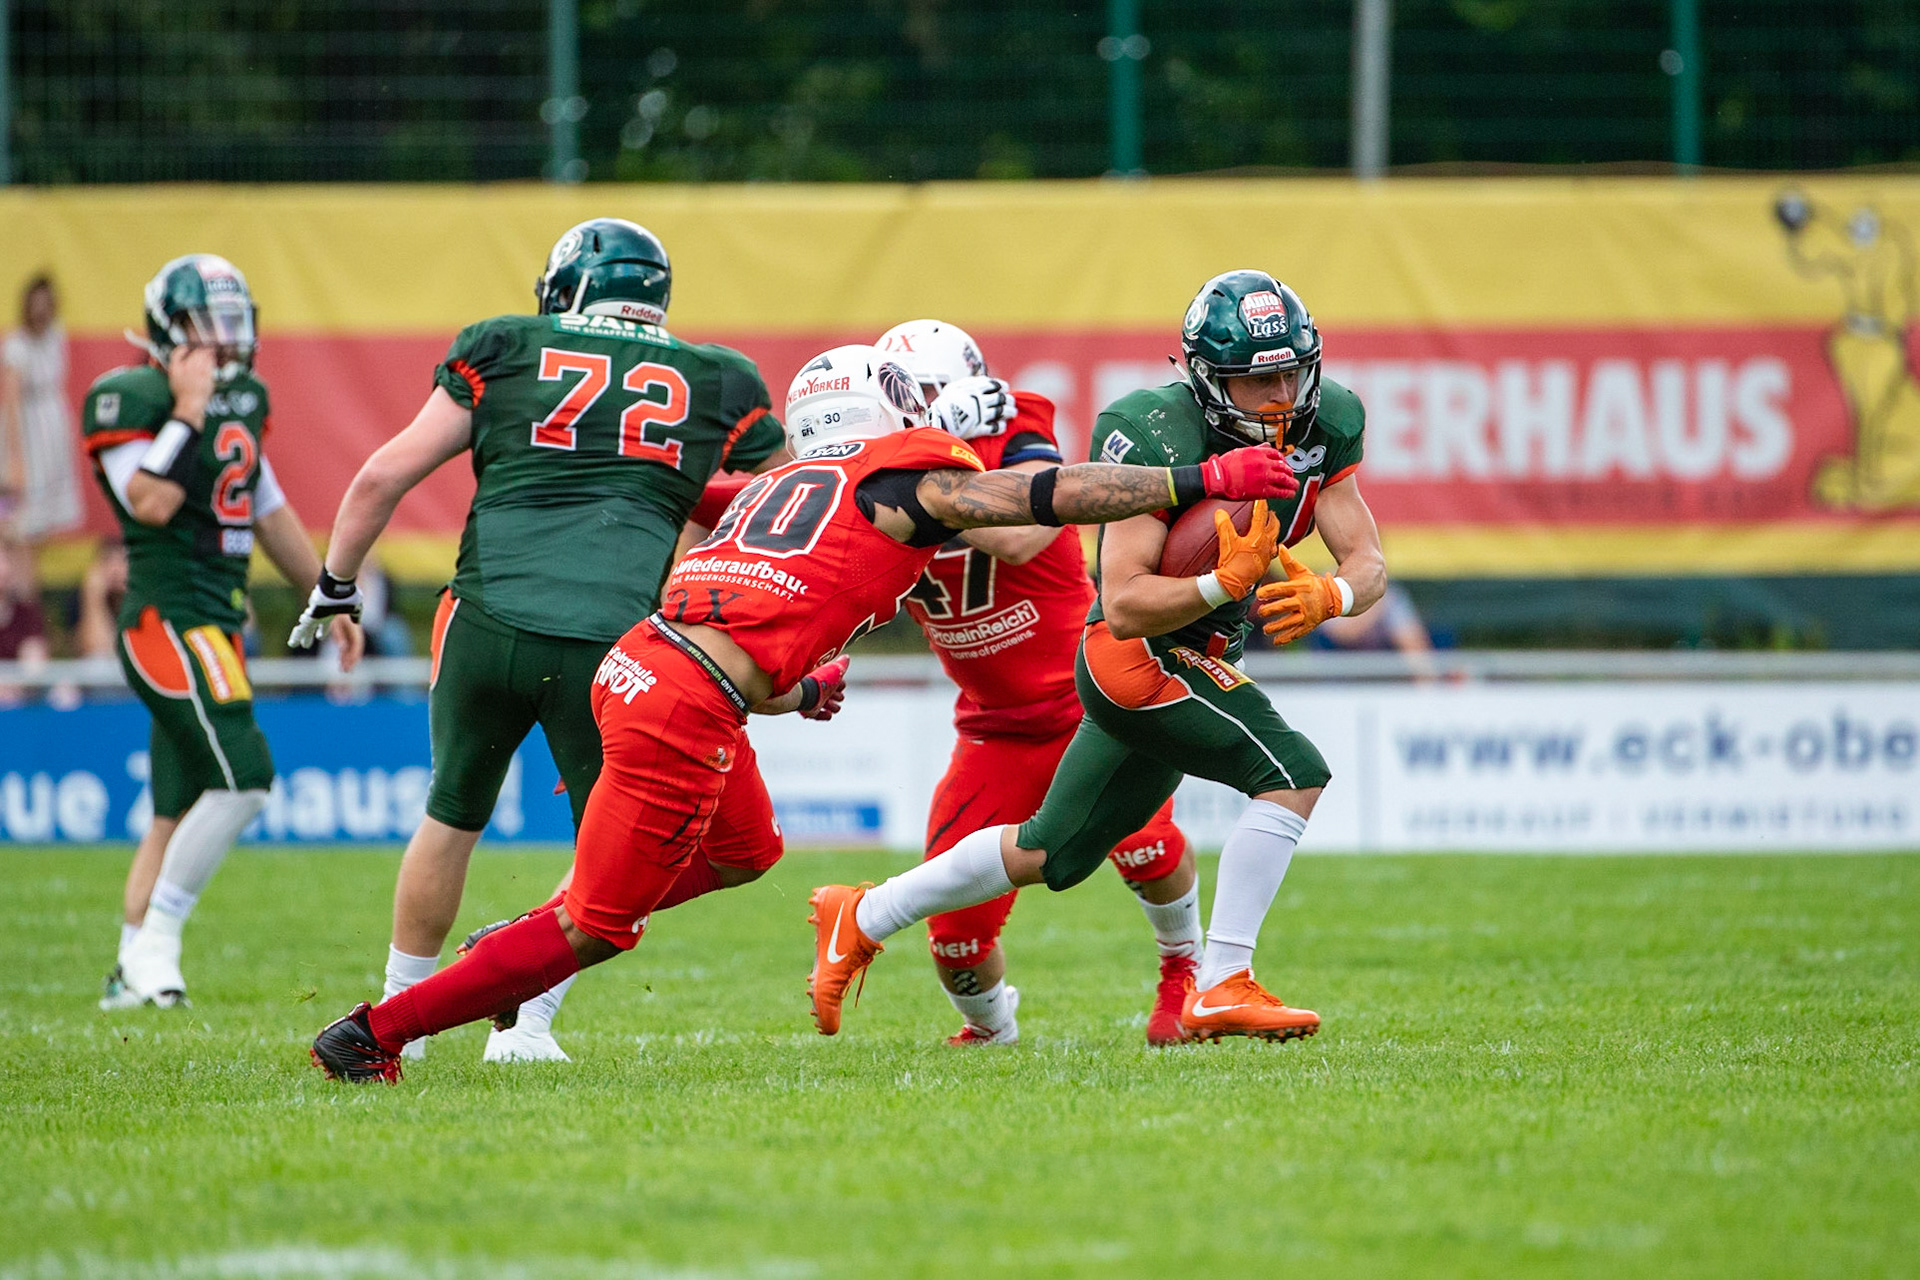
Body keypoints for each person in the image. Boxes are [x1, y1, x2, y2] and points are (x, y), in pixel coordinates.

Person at [309, 342, 1300, 1083]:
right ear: (896, 411)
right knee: (597, 926)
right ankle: (375, 1033)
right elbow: (1044, 491)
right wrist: (1200, 477)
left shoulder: (788, 482)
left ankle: (505, 947)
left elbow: (752, 621)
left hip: (650, 667)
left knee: (747, 848)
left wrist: (802, 687)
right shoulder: (894, 477)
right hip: (681, 698)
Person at [809, 269, 1389, 1044]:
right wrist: (1225, 581)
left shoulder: (1332, 420)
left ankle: (864, 911)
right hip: (1134, 656)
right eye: (1257, 381)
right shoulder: (1154, 429)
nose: (1281, 395)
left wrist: (1334, 598)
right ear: (1207, 379)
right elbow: (1123, 604)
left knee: (1052, 849)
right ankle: (1221, 982)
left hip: (1182, 654)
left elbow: (1368, 560)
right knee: (1293, 775)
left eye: (1290, 370)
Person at [289, 218, 792, 1064]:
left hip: (485, 618)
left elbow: (383, 472)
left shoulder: (505, 347)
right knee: (608, 848)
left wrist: (335, 586)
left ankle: (403, 1016)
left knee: (451, 814)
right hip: (614, 643)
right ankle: (525, 1026)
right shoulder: (717, 379)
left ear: (565, 291)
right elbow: (778, 512)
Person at [878, 318, 1199, 1047]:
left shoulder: (1017, 417)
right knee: (954, 932)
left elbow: (1026, 529)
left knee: (1145, 846)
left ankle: (1187, 968)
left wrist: (925, 498)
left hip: (1090, 699)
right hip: (991, 725)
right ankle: (993, 1031)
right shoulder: (874, 466)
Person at [83, 254, 363, 1009]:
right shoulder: (130, 396)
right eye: (214, 322)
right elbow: (145, 502)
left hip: (214, 621)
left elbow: (266, 507)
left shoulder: (240, 397)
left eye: (238, 320)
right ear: (171, 329)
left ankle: (128, 973)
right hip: (165, 618)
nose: (230, 339)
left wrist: (327, 594)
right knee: (245, 776)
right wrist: (186, 410)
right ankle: (156, 947)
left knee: (175, 805)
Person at [2, 275, 83, 590]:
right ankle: (22, 597)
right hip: (29, 440)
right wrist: (16, 459)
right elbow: (11, 403)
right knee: (21, 525)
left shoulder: (55, 337)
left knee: (41, 528)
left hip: (52, 441)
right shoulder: (16, 346)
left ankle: (28, 596)